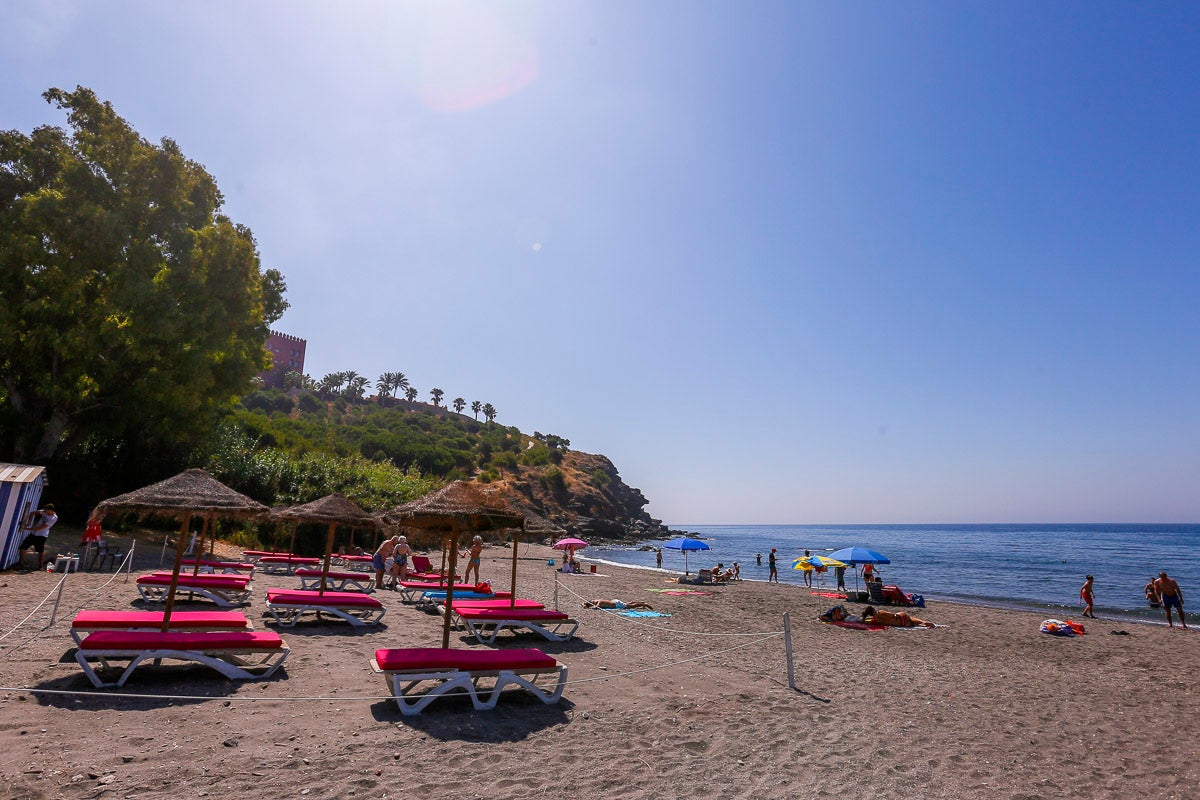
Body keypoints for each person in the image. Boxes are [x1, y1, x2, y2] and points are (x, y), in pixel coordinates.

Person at [19, 504, 58, 570]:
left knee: (40, 551)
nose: (44, 511)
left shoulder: (53, 518)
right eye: (44, 510)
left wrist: (26, 528)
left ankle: (40, 566)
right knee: (23, 547)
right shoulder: (44, 511)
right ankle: (21, 563)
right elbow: (32, 513)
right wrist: (29, 522)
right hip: (33, 534)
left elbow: (40, 528)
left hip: (42, 535)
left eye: (46, 510)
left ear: (50, 510)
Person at [861, 605, 935, 628]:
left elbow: (864, 621)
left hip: (902, 624)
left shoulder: (874, 621)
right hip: (901, 617)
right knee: (912, 619)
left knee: (913, 624)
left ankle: (924, 626)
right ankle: (925, 623)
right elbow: (893, 615)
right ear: (874, 609)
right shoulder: (881, 612)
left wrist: (864, 617)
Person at [582, 599, 654, 610]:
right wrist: (584, 604)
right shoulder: (595, 600)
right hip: (614, 601)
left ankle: (645, 604)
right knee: (628, 604)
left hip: (616, 604)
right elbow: (584, 603)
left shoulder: (598, 602)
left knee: (631, 606)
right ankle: (642, 603)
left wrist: (588, 608)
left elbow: (596, 608)